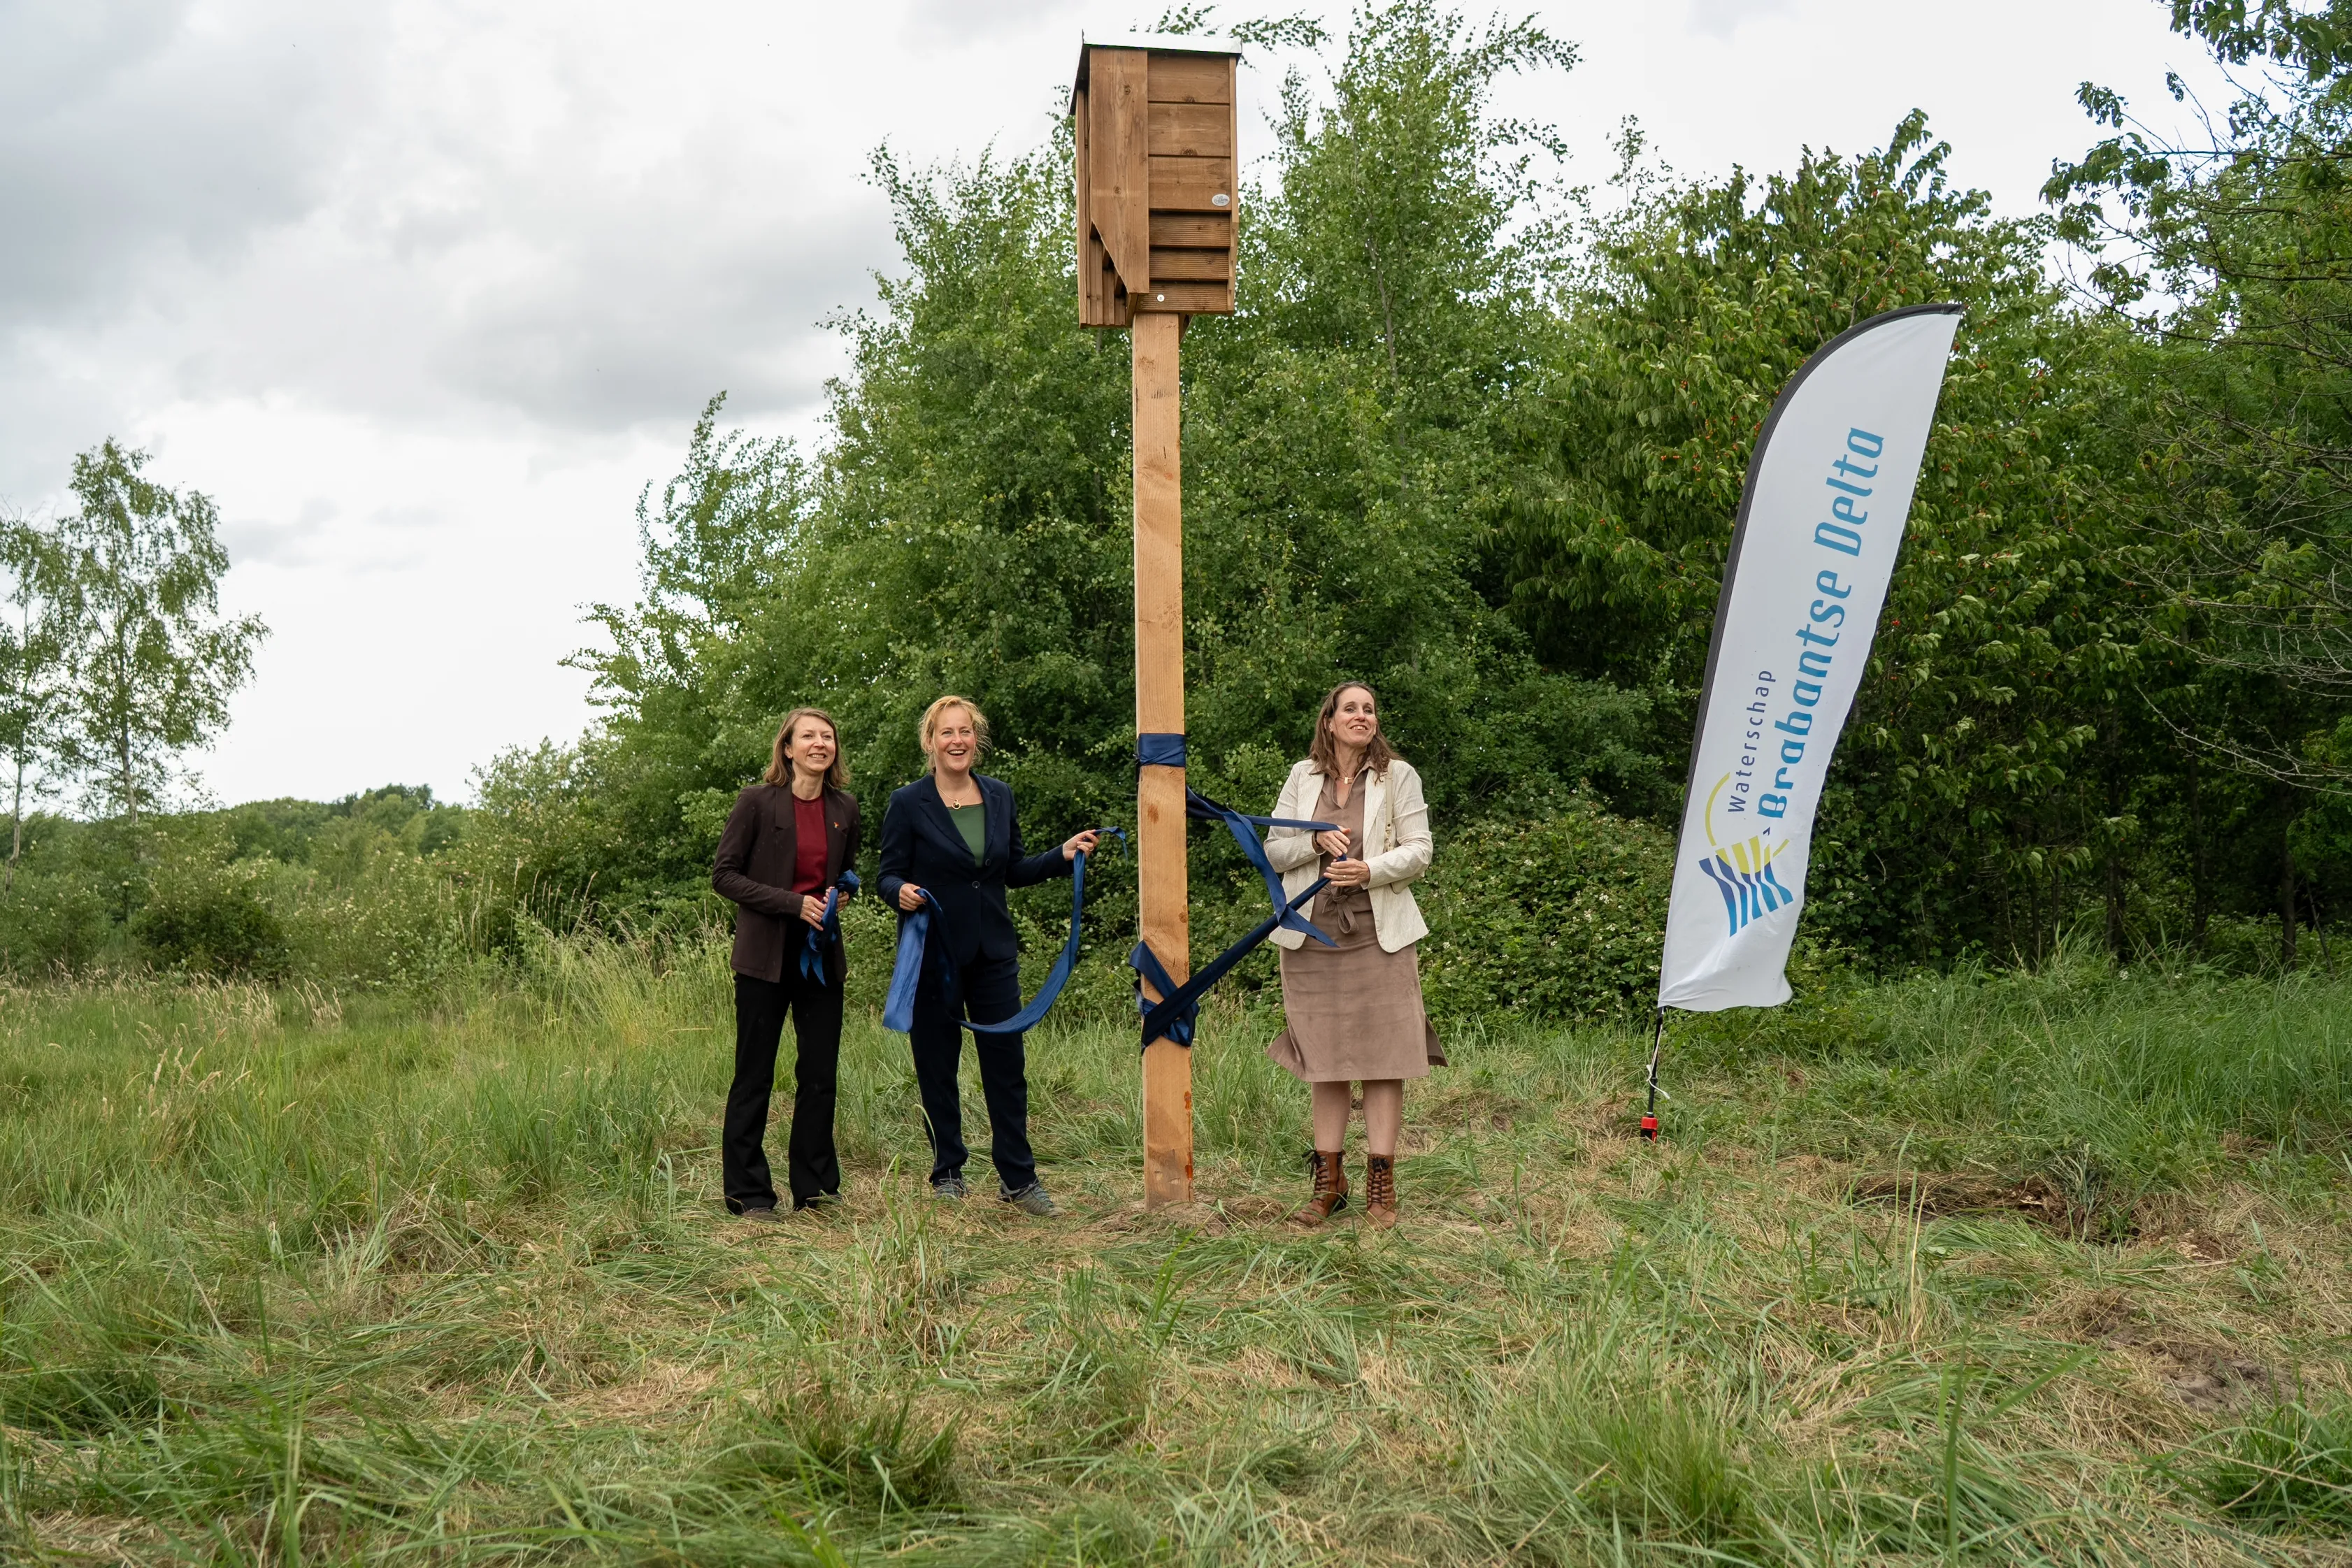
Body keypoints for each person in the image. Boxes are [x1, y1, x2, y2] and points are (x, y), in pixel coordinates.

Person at [877, 696, 1098, 1215]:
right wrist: (900, 891)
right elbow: (887, 873)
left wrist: (1061, 856)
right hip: (934, 954)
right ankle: (948, 1173)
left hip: (994, 953)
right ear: (930, 741)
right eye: (946, 732)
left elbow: (1011, 870)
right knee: (937, 1065)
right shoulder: (908, 802)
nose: (957, 741)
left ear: (977, 740)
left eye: (966, 732)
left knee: (1006, 1065)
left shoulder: (999, 796)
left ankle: (1019, 1180)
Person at [1263, 681, 1442, 1229]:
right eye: (1351, 708)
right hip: (1313, 934)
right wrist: (1316, 843)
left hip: (1378, 931)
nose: (1361, 715)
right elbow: (1274, 848)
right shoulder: (1303, 776)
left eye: (1369, 709)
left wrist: (1370, 869)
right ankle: (1328, 1183)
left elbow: (1421, 849)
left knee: (1385, 1056)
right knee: (1326, 1057)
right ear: (1330, 720)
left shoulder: (1398, 776)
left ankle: (1381, 1187)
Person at [711, 707, 861, 1221]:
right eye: (809, 736)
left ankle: (816, 1191)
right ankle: (750, 1194)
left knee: (819, 1075)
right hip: (763, 958)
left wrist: (840, 896)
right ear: (788, 748)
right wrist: (792, 903)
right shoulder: (756, 801)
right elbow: (724, 876)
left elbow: (845, 873)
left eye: (828, 736)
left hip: (822, 958)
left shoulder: (846, 806)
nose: (820, 743)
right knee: (754, 1074)